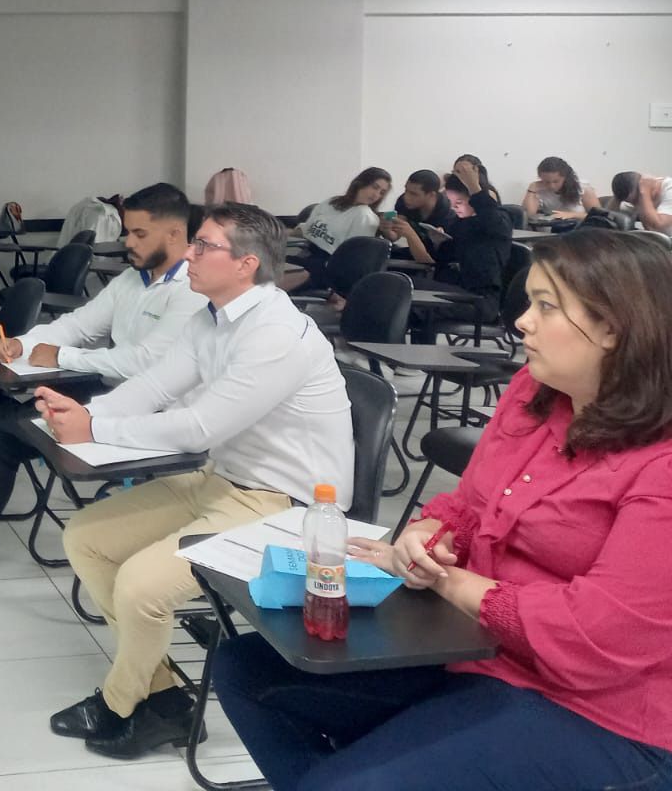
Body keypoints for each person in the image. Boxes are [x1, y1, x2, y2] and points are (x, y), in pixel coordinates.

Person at [212, 229, 672, 791]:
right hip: (479, 654)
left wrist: (450, 580)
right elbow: (469, 503)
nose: (522, 321)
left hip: (602, 712)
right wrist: (430, 531)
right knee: (244, 669)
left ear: (615, 328)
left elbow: (596, 636)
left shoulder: (660, 463)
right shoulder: (535, 390)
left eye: (547, 307)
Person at [38, 204, 355, 760]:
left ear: (246, 264)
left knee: (141, 585)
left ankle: (120, 704)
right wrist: (83, 421)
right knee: (85, 538)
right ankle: (164, 699)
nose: (188, 254)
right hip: (224, 480)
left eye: (204, 246)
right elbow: (157, 386)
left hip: (285, 504)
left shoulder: (276, 332)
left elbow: (200, 426)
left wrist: (98, 426)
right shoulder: (210, 317)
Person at [0, 183, 207, 610]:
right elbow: (78, 323)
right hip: (110, 393)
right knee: (4, 428)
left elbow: (147, 362)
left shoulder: (191, 289)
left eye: (138, 234)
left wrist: (63, 355)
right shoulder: (134, 279)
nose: (126, 242)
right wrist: (25, 342)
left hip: (156, 414)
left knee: (4, 421)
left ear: (173, 234)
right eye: (127, 232)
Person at [391, 160, 512, 342]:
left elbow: (491, 217)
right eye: (451, 202)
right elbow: (437, 261)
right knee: (399, 284)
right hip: (458, 290)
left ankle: (417, 363)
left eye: (460, 202)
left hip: (481, 301)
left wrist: (474, 186)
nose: (454, 207)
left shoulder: (497, 223)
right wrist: (439, 244)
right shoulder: (461, 225)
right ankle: (384, 351)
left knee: (418, 305)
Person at [282, 167, 392, 293]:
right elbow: (306, 229)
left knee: (275, 278)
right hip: (306, 253)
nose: (376, 195)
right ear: (360, 183)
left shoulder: (365, 217)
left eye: (381, 192)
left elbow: (352, 259)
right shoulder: (332, 202)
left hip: (327, 266)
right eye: (374, 187)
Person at [521, 156, 599, 221]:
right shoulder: (539, 189)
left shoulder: (583, 188)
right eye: (546, 182)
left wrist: (572, 215)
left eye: (556, 181)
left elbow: (599, 216)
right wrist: (531, 189)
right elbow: (528, 215)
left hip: (581, 230)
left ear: (565, 178)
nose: (552, 186)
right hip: (553, 231)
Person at [612, 170, 672, 235]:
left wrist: (645, 193)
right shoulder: (635, 199)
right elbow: (609, 215)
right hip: (657, 242)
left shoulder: (669, 188)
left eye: (636, 200)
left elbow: (658, 224)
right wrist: (617, 198)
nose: (636, 204)